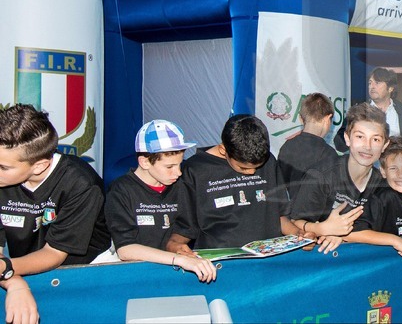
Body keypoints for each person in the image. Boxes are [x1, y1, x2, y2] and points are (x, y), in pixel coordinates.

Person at [166, 114, 303, 254]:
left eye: (258, 167)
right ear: (223, 150)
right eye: (243, 168)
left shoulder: (269, 161)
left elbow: (279, 216)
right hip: (221, 262)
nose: (252, 172)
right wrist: (175, 244)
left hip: (268, 259)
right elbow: (185, 227)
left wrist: (298, 234)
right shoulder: (195, 170)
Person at [0, 104, 111, 270]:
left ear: (39, 166)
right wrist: (11, 278)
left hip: (84, 269)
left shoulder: (81, 184)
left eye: (3, 167)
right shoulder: (6, 177)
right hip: (21, 263)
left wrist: (7, 269)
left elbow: (54, 254)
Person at [104, 119, 217, 282]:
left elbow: (186, 228)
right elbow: (125, 249)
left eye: (180, 164)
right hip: (133, 276)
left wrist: (176, 244)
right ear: (144, 162)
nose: (178, 172)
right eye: (169, 167)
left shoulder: (181, 185)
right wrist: (179, 260)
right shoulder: (121, 190)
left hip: (171, 274)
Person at [291, 103, 388, 254]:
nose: (367, 146)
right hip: (320, 257)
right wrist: (322, 229)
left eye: (375, 139)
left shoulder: (382, 183)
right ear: (347, 139)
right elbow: (293, 222)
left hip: (362, 258)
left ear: (385, 145)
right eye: (360, 137)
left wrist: (343, 236)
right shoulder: (321, 176)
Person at [334, 67, 402, 155]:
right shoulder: (358, 111)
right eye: (370, 83)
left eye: (377, 83)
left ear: (390, 88)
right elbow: (339, 144)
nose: (372, 87)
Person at [277, 93, 339, 200]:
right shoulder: (330, 155)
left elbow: (280, 184)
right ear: (327, 119)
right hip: (319, 210)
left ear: (301, 119)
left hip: (291, 208)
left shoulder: (287, 147)